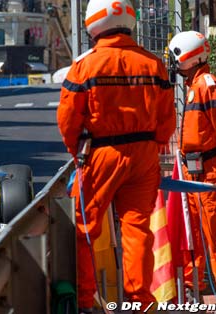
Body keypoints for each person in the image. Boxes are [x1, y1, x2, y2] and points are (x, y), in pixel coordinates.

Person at [56, 0, 176, 313]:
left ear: (93, 24)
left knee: (84, 228)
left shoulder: (86, 64)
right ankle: (140, 301)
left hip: (101, 153)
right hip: (145, 154)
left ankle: (85, 301)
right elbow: (167, 118)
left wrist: (76, 153)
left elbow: (68, 119)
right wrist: (156, 143)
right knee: (137, 229)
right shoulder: (153, 63)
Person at [168, 30, 216, 311]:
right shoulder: (194, 84)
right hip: (195, 173)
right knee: (194, 236)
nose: (174, 64)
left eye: (177, 58)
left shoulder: (207, 85)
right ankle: (194, 287)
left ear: (190, 57)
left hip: (212, 173)